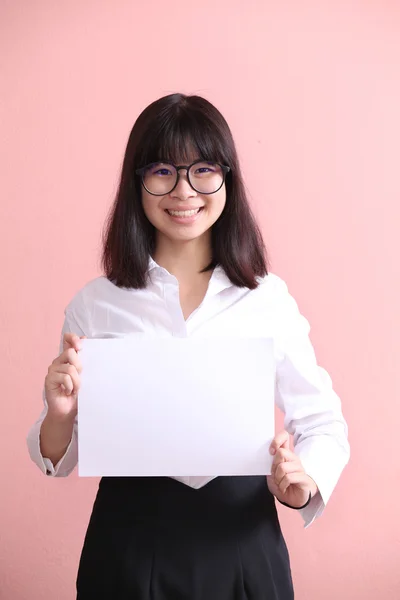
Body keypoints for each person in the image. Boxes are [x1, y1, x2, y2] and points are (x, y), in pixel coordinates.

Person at [27, 93, 350, 600]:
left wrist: (303, 479)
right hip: (128, 543)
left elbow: (322, 422)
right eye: (161, 171)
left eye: (203, 169)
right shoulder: (96, 303)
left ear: (228, 178)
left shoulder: (266, 298)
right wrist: (60, 413)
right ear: (137, 182)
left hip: (243, 542)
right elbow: (60, 458)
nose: (184, 191)